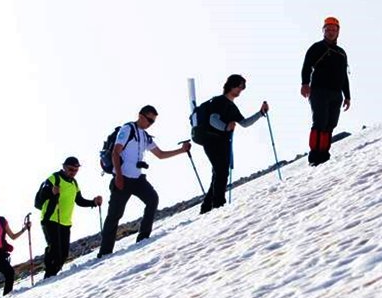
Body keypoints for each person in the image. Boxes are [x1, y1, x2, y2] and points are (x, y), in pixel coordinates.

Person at [98, 105, 191, 257]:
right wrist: (119, 177)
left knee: (152, 199)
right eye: (149, 120)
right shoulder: (128, 129)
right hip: (122, 179)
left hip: (138, 179)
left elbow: (160, 154)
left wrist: (182, 150)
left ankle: (143, 238)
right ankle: (104, 253)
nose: (150, 123)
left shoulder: (145, 136)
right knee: (115, 215)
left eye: (152, 121)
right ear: (140, 116)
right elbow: (115, 152)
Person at [199, 75, 269, 213]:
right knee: (221, 170)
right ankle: (218, 205)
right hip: (212, 140)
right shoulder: (219, 101)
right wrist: (226, 127)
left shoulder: (231, 106)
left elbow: (244, 123)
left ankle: (206, 208)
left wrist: (260, 113)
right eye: (240, 86)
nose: (241, 90)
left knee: (219, 172)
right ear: (231, 85)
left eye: (243, 87)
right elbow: (213, 119)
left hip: (222, 141)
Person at [36, 156, 103, 278]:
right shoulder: (54, 178)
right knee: (55, 249)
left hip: (65, 222)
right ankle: (49, 275)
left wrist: (93, 202)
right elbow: (40, 197)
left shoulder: (74, 183)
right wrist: (52, 191)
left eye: (76, 170)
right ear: (64, 167)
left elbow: (79, 200)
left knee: (64, 253)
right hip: (50, 219)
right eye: (71, 169)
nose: (73, 173)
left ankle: (52, 275)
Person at [300, 16, 351, 166]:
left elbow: (344, 76)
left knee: (331, 124)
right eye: (328, 29)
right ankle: (314, 155)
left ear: (338, 32)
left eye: (334, 30)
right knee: (320, 122)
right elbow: (306, 66)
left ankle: (324, 153)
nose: (331, 32)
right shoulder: (316, 47)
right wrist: (305, 83)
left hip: (336, 94)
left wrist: (347, 96)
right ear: (323, 31)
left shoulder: (342, 53)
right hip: (319, 91)